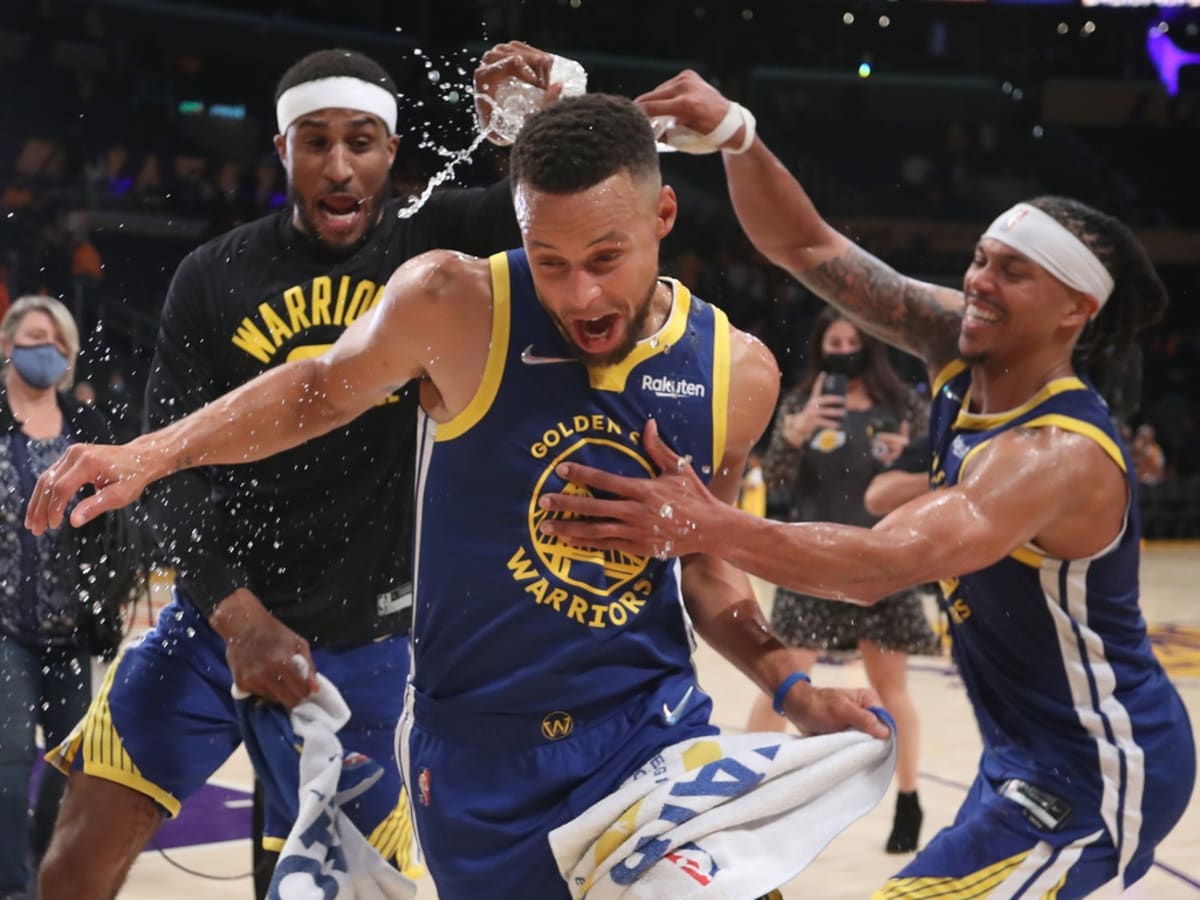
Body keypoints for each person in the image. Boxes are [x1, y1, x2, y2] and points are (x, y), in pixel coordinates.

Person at [27, 93, 891, 900]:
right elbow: (316, 391)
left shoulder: (736, 373)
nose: (582, 296)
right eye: (550, 262)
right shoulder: (455, 303)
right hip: (476, 762)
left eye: (606, 259)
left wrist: (789, 687)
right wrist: (152, 454)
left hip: (647, 731)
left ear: (662, 216)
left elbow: (706, 570)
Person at [532, 71, 1196, 896]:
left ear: (1075, 311)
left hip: (1098, 771)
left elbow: (880, 567)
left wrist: (705, 524)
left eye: (1014, 273)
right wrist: (739, 134)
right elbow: (808, 248)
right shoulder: (958, 343)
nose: (979, 283)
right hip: (1024, 754)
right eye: (982, 259)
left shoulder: (1053, 453)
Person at [29, 42, 553, 900]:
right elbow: (170, 472)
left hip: (373, 647)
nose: (340, 166)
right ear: (282, 150)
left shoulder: (436, 241)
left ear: (392, 151)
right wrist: (240, 621)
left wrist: (528, 120)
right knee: (73, 865)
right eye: (316, 142)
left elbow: (552, 210)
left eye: (361, 142)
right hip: (215, 625)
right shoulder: (212, 276)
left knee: (329, 889)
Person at [745, 307, 936, 855]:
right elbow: (773, 478)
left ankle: (908, 799)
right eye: (835, 341)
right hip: (812, 558)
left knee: (891, 689)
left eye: (854, 340)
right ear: (820, 347)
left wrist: (907, 463)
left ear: (870, 345)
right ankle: (749, 791)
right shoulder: (800, 403)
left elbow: (936, 477)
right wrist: (793, 434)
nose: (845, 349)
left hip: (882, 558)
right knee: (781, 684)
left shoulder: (904, 405)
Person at [0, 296, 112, 900]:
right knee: (10, 760)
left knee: (74, 768)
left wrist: (110, 592)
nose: (47, 349)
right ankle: (10, 886)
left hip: (73, 628)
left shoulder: (87, 425)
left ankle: (46, 874)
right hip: (5, 628)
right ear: (7, 343)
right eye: (35, 336)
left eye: (58, 341)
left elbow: (116, 520)